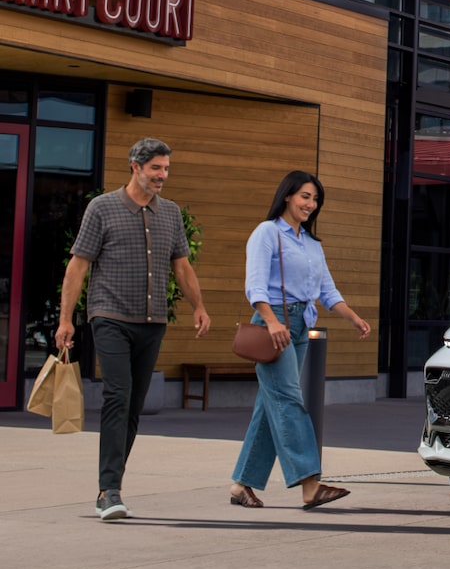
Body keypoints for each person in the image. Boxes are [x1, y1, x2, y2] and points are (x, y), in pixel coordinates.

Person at [56, 138, 211, 521]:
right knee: (117, 396)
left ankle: (110, 486)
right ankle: (110, 490)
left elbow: (182, 266)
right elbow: (78, 266)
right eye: (156, 168)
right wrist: (65, 319)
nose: (163, 175)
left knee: (133, 407)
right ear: (135, 167)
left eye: (166, 169)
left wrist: (199, 306)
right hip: (109, 317)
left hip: (152, 321)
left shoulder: (170, 214)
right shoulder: (102, 208)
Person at [228, 170, 371, 510]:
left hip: (301, 325)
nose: (311, 204)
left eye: (315, 199)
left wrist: (353, 317)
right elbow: (255, 284)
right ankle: (309, 483)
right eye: (305, 196)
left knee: (270, 406)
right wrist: (272, 321)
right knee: (290, 400)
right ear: (288, 196)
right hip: (273, 325)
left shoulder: (310, 243)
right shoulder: (267, 233)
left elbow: (326, 290)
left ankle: (241, 484)